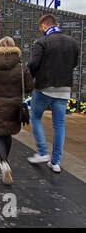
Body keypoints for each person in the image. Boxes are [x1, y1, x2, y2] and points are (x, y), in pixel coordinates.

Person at [26, 15, 80, 173]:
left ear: (43, 26)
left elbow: (34, 63)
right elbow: (74, 63)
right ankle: (56, 161)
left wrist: (31, 74)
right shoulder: (72, 42)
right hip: (64, 88)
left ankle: (43, 152)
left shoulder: (42, 42)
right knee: (59, 125)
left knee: (35, 118)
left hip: (44, 87)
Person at [0, 36, 33, 185]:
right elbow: (29, 87)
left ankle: (3, 161)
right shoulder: (22, 67)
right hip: (14, 105)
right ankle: (5, 161)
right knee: (8, 133)